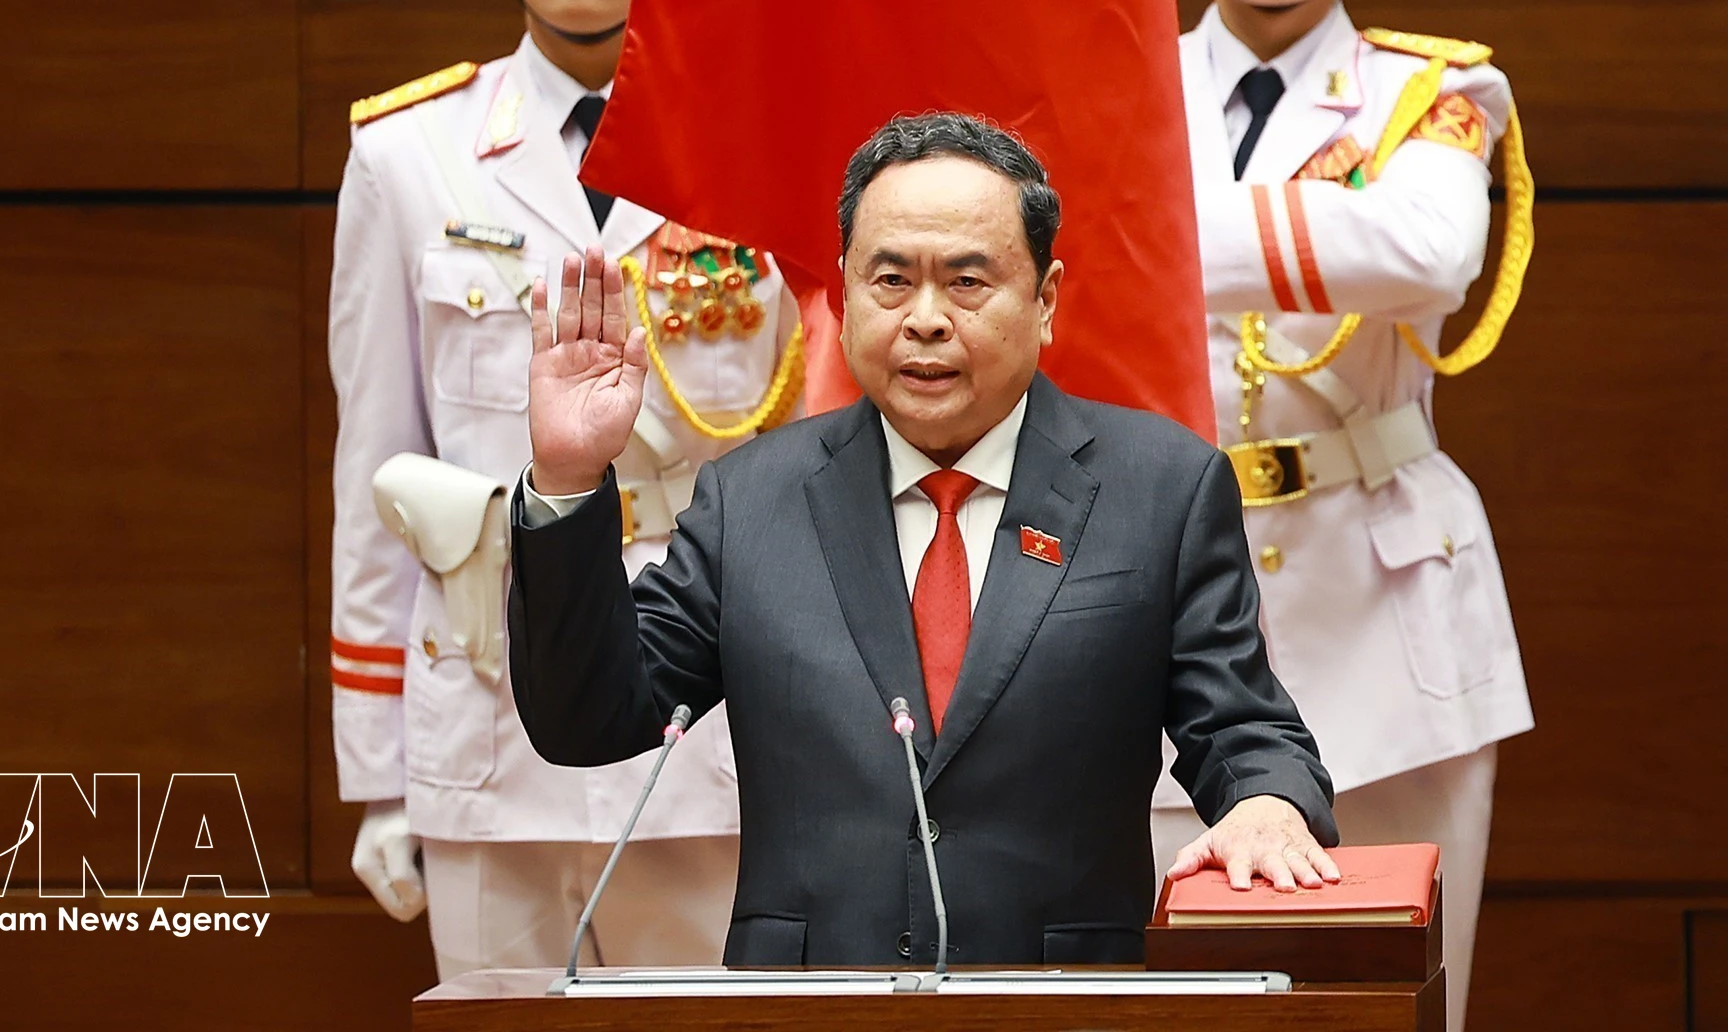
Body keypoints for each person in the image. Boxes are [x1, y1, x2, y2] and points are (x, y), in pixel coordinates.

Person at [506, 113, 1337, 968]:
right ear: (842, 293)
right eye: (891, 281)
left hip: (1065, 1003)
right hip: (809, 1011)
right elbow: (588, 719)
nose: (926, 319)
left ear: (1046, 299)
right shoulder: (750, 499)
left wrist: (1272, 803)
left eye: (969, 282)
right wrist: (567, 477)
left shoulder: (1160, 487)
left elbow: (1242, 727)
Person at [327, 0, 802, 978]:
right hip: (487, 705)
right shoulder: (410, 155)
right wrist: (377, 773)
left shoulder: (770, 141)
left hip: (708, 708)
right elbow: (376, 466)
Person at [1155, 0, 1535, 1028]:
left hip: (1388, 608)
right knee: (1184, 997)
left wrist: (1138, 219)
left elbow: (1427, 256)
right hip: (1167, 601)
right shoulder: (1104, 82)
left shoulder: (1441, 91)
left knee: (1393, 1002)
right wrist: (1340, 223)